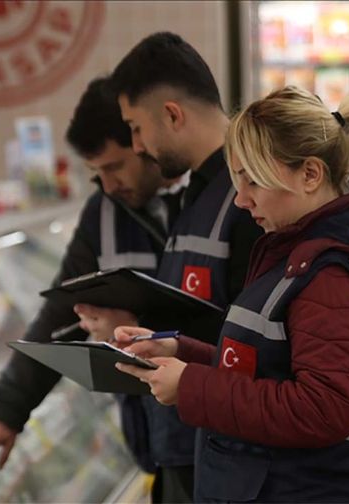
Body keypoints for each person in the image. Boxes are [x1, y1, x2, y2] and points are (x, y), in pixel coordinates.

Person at [116, 85, 349, 502]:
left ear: (310, 175)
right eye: (237, 181)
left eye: (253, 181)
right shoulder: (295, 253)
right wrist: (180, 351)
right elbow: (267, 368)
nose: (241, 200)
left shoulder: (334, 278)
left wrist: (191, 385)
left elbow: (321, 409)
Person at [0, 76, 184, 476]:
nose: (108, 185)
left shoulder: (211, 201)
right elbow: (62, 311)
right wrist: (5, 409)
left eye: (115, 167)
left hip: (213, 434)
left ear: (145, 143)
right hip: (154, 439)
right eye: (97, 172)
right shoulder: (104, 212)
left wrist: (134, 329)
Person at [87, 32, 262, 503]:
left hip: (222, 454)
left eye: (136, 128)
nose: (138, 146)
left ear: (171, 114)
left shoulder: (247, 198)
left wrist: (149, 332)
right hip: (190, 444)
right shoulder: (197, 194)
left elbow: (255, 343)